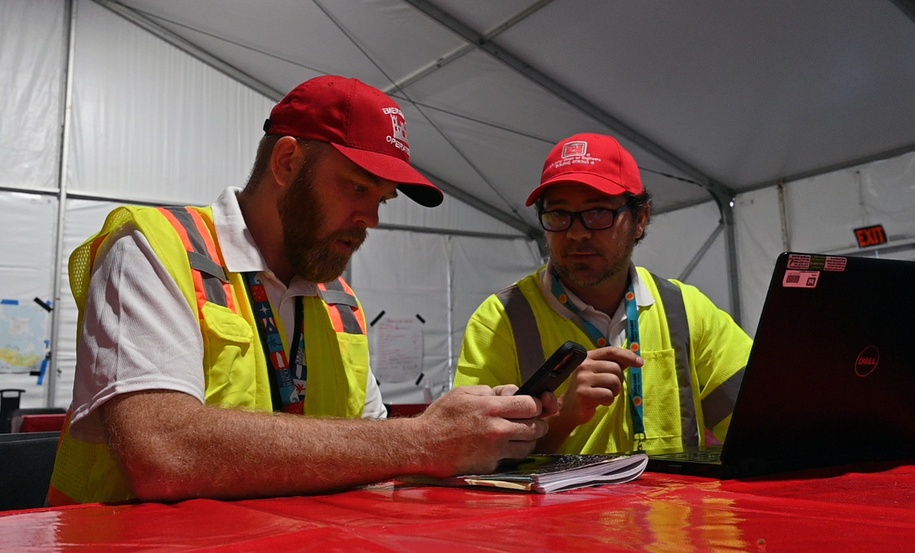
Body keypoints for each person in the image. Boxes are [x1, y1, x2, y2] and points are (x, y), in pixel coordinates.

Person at [49, 75, 555, 506]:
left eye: (383, 199)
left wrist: (473, 432)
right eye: (357, 187)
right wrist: (426, 439)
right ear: (287, 163)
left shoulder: (337, 302)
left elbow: (375, 451)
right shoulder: (154, 247)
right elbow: (162, 450)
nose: (372, 219)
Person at [454, 132, 754, 455]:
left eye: (598, 212)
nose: (577, 232)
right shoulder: (500, 320)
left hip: (673, 507)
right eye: (558, 214)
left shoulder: (684, 309)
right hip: (562, 509)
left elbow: (759, 420)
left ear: (640, 219)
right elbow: (469, 454)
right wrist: (564, 417)